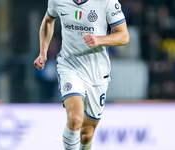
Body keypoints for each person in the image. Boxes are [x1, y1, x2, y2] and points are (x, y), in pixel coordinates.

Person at [33, 0, 129, 149]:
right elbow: (48, 21)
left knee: (86, 134)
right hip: (69, 65)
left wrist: (99, 40)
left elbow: (124, 36)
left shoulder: (107, 2)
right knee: (75, 119)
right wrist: (43, 52)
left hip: (97, 72)